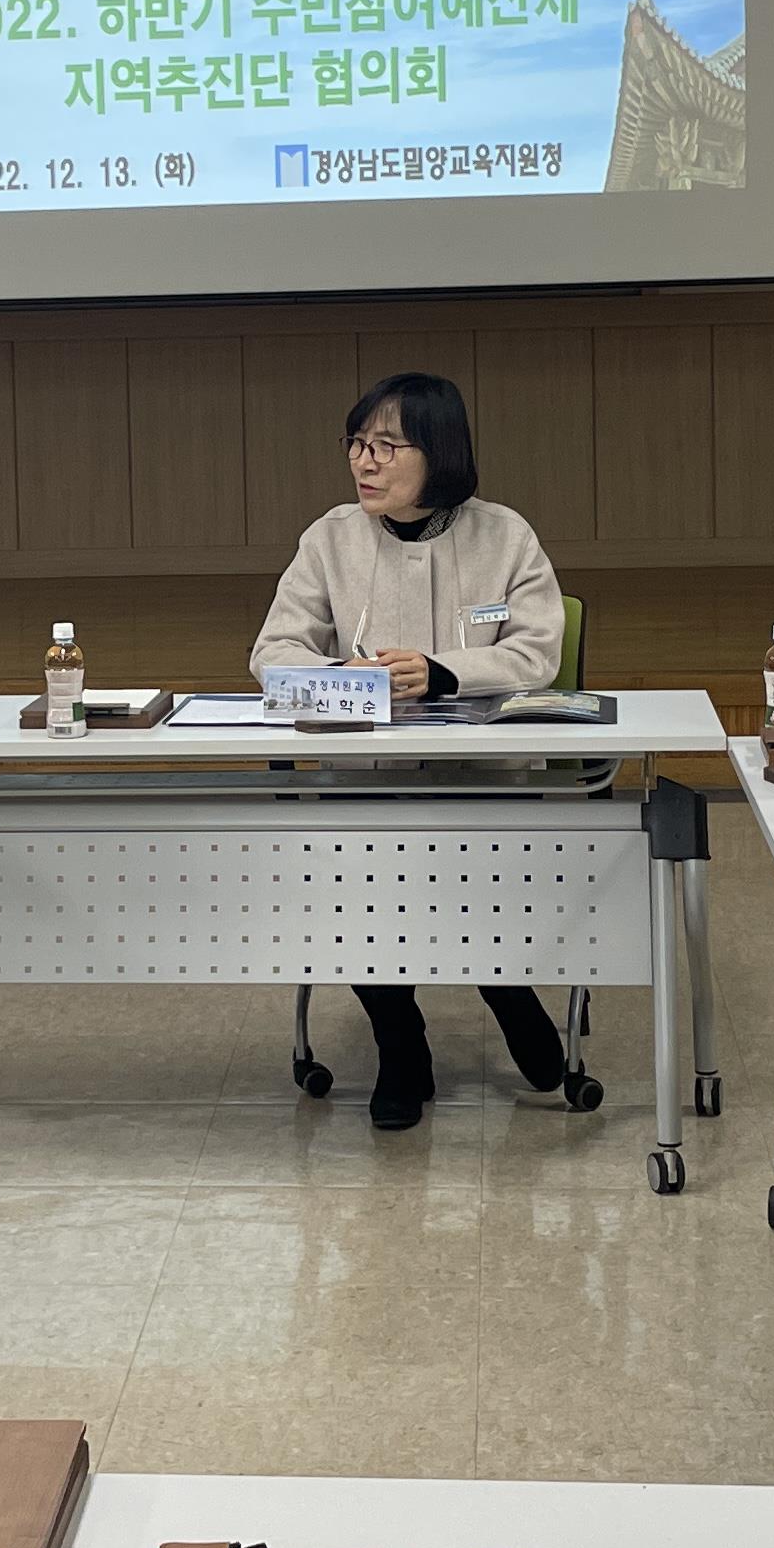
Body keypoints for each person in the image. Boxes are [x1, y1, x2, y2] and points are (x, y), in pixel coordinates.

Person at [250, 369, 574, 1129]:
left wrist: (445, 672)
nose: (364, 462)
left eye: (386, 447)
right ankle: (400, 1045)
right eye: (357, 444)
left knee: (478, 885)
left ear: (439, 453)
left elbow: (537, 653)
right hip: (365, 777)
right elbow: (273, 652)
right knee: (360, 890)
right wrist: (343, 678)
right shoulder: (329, 538)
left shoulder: (506, 535)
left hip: (484, 781)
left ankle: (508, 990)